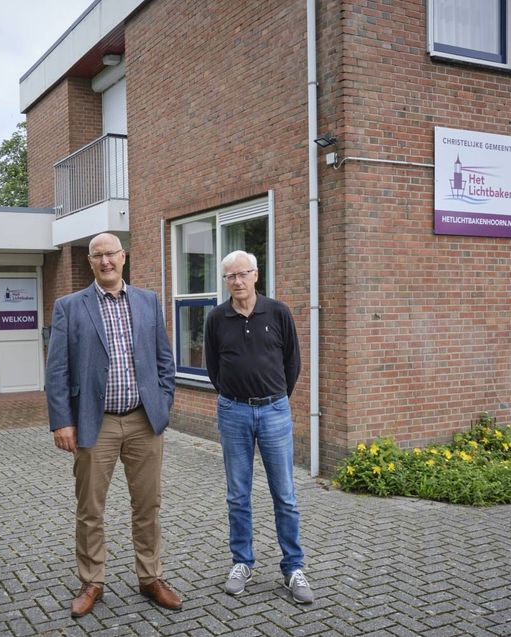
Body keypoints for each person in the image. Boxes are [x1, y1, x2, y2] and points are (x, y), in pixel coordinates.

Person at [45, 232, 182, 617]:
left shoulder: (147, 301)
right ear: (90, 262)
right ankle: (92, 581)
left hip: (144, 422)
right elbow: (56, 369)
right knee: (90, 507)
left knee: (148, 505)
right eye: (98, 255)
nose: (106, 261)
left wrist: (162, 405)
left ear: (124, 257)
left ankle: (150, 576)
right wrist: (61, 421)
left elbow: (164, 362)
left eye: (112, 254)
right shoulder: (70, 307)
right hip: (94, 423)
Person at [203, 250, 314, 604]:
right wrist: (235, 396)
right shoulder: (216, 318)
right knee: (238, 494)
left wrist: (274, 397)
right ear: (226, 281)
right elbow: (213, 367)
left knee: (285, 494)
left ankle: (293, 567)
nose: (237, 281)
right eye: (230, 276)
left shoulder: (278, 312)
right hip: (233, 412)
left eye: (242, 274)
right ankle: (242, 562)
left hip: (274, 412)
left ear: (255, 275)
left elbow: (292, 363)